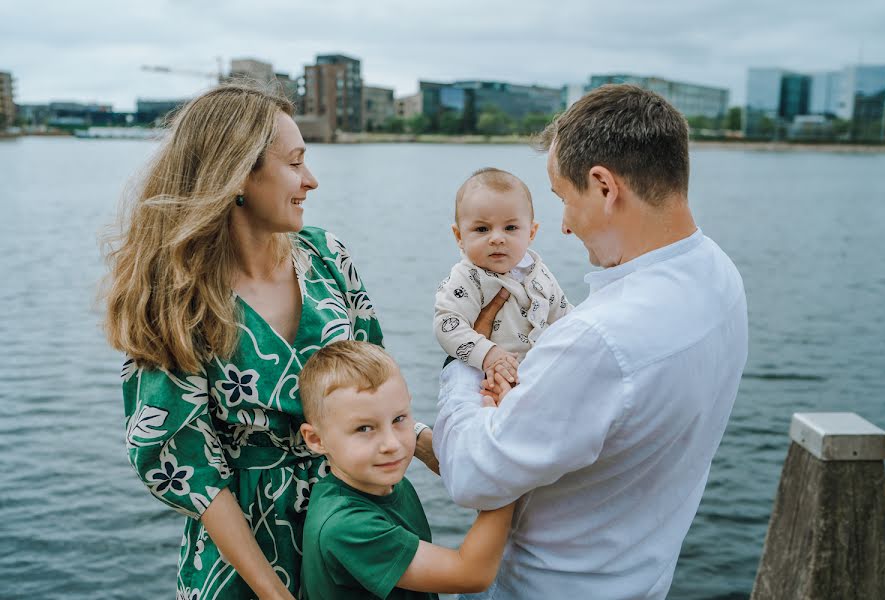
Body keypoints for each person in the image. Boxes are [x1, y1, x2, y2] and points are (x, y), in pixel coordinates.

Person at [104, 83, 423, 599]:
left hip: (357, 523)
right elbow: (190, 470)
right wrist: (275, 594)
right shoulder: (177, 298)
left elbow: (374, 387)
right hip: (246, 558)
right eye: (295, 163)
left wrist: (469, 453)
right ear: (238, 175)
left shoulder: (327, 258)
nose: (311, 180)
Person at [432, 84, 749, 599]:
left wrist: (466, 363)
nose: (561, 226)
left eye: (562, 198)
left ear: (604, 187)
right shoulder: (719, 276)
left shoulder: (599, 339)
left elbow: (471, 474)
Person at [298, 341, 515, 600]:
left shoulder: (386, 482)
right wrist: (502, 455)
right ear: (316, 440)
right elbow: (472, 574)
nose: (391, 444)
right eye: (364, 429)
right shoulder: (345, 526)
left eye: (399, 419)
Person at [434, 167, 572, 385]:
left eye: (510, 227)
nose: (497, 238)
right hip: (488, 380)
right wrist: (488, 355)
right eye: (481, 229)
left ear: (531, 233)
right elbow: (448, 325)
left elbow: (565, 317)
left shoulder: (540, 272)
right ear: (459, 236)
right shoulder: (466, 277)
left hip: (540, 377)